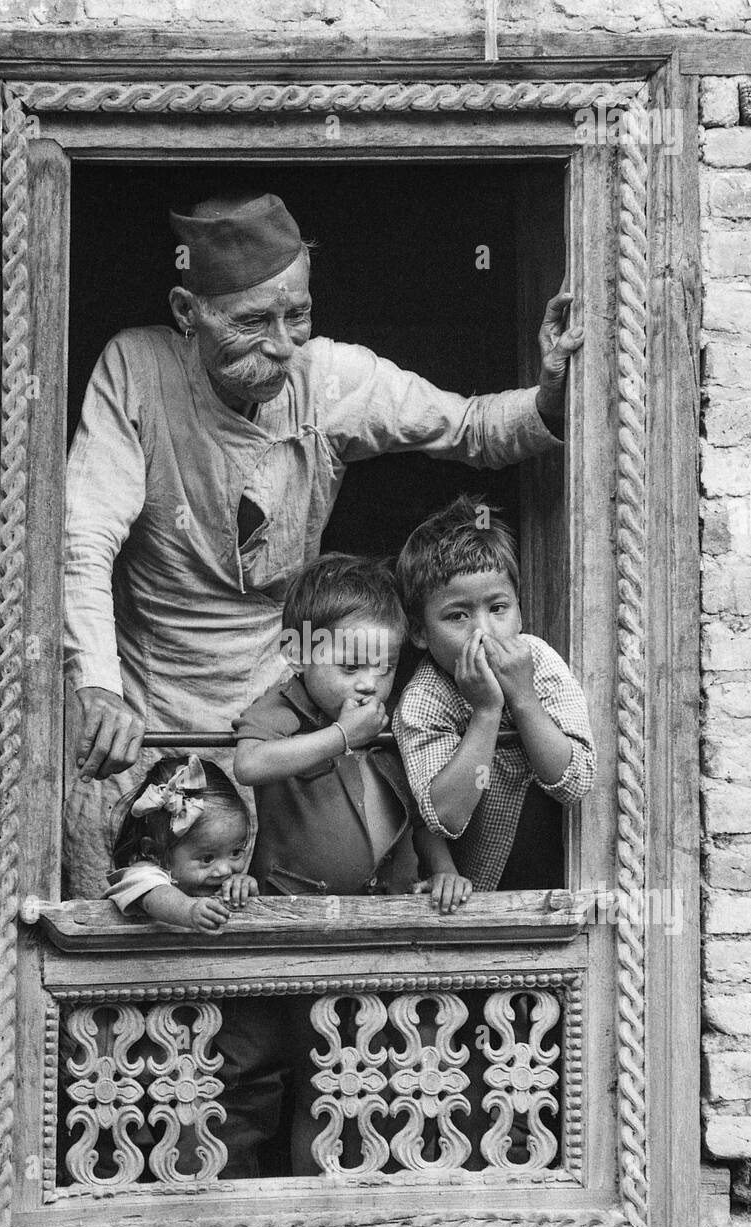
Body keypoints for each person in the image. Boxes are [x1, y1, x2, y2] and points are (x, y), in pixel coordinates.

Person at [63, 189, 584, 896]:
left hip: (281, 692)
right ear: (188, 312)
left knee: (268, 913)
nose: (281, 344)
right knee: (139, 903)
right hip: (145, 696)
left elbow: (468, 428)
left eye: (297, 314)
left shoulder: (330, 376)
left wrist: (552, 388)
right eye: (252, 321)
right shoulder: (137, 368)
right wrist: (95, 684)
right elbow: (84, 535)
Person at [233, 552, 472, 912]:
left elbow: (418, 809)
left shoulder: (394, 719)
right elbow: (249, 764)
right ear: (298, 654)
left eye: (385, 668)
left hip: (393, 909)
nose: (368, 684)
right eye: (350, 667)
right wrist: (341, 736)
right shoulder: (283, 708)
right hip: (293, 911)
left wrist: (443, 870)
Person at [392, 495, 596, 891]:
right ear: (419, 632)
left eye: (498, 608)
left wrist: (523, 699)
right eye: (458, 616)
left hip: (560, 882)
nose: (482, 631)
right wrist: (486, 712)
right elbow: (444, 817)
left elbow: (575, 783)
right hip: (475, 896)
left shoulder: (539, 661)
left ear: (519, 610)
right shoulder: (424, 700)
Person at [105, 754, 258, 931]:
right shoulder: (141, 875)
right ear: (154, 852)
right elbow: (156, 895)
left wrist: (241, 889)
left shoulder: (216, 880)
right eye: (207, 858)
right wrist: (190, 911)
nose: (225, 870)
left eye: (236, 852)